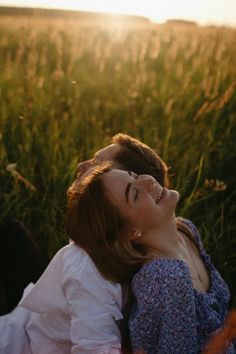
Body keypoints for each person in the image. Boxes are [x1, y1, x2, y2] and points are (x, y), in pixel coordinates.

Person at [0, 134, 169, 353]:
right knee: (13, 233)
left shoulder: (89, 264)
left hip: (26, 339)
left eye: (97, 165)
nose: (82, 166)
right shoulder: (98, 251)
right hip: (32, 322)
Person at [66, 163, 235, 354]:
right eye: (135, 194)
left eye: (135, 175)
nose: (147, 180)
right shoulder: (165, 277)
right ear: (129, 232)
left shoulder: (186, 231)